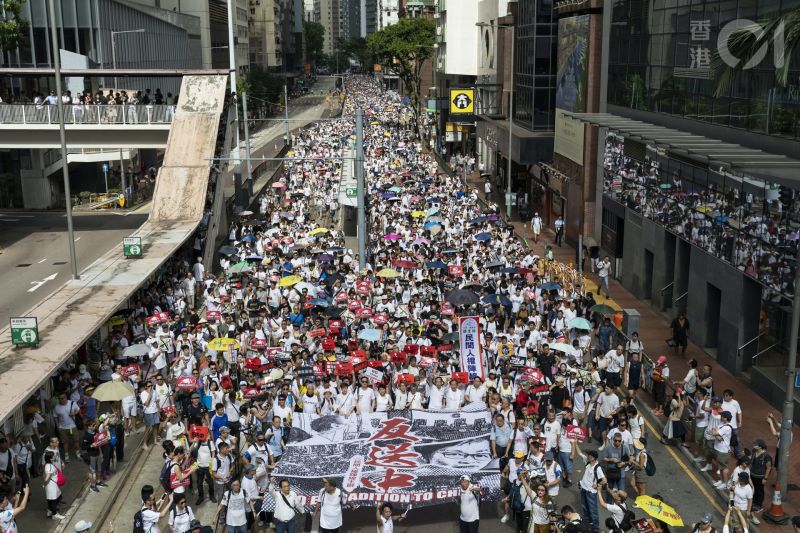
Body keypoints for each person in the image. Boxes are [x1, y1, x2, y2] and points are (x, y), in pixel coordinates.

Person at [579, 450, 604, 533]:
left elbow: (604, 480)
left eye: (589, 455)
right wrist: (575, 443)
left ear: (593, 458)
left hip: (590, 492)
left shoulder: (597, 467)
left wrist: (597, 485)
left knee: (593, 511)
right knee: (585, 508)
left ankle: (596, 529)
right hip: (584, 489)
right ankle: (588, 524)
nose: (588, 456)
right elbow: (580, 453)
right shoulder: (589, 463)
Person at [749, 439, 772, 514]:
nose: (754, 446)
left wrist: (765, 478)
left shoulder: (766, 456)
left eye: (756, 445)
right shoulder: (754, 451)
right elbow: (752, 459)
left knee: (759, 491)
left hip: (760, 477)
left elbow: (768, 467)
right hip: (752, 475)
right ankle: (754, 502)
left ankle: (759, 506)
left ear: (760, 447)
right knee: (753, 488)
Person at [42, 450, 65, 520]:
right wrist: (44, 483)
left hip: (52, 485)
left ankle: (49, 511)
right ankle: (55, 514)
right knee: (54, 500)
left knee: (52, 498)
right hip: (51, 485)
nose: (55, 456)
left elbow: (44, 475)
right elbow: (47, 477)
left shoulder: (48, 465)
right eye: (53, 456)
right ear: (50, 458)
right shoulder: (49, 466)